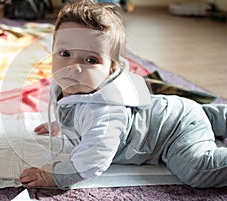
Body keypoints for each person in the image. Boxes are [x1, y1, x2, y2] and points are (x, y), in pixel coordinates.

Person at [20, 0, 227, 189]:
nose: (73, 67)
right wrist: (61, 124)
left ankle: (211, 119)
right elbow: (71, 107)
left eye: (91, 60)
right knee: (202, 117)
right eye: (65, 54)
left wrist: (55, 176)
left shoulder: (106, 113)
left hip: (173, 131)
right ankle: (217, 117)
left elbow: (94, 158)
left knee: (197, 170)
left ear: (111, 68)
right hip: (173, 110)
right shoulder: (69, 86)